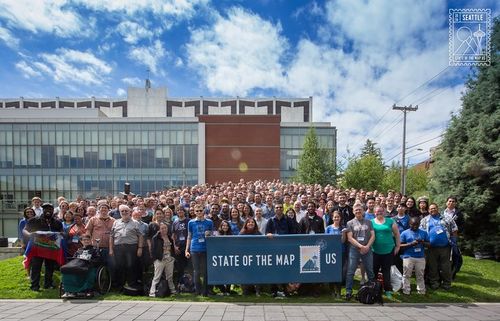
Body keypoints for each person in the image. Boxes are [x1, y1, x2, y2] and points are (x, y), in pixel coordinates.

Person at [23, 203, 63, 291]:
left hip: (51, 249)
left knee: (50, 267)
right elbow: (25, 229)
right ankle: (34, 286)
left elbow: (62, 232)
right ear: (43, 210)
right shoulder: (34, 220)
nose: (48, 211)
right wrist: (29, 234)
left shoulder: (57, 222)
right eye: (46, 209)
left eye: (50, 209)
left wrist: (61, 234)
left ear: (53, 210)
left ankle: (48, 284)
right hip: (37, 248)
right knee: (36, 267)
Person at [420, 203, 458, 290]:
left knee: (446, 267)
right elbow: (421, 232)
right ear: (428, 210)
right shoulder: (425, 220)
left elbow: (454, 229)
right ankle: (434, 283)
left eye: (434, 208)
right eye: (430, 209)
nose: (432, 210)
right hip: (430, 248)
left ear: (438, 208)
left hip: (445, 247)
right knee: (433, 266)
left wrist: (454, 240)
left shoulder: (446, 218)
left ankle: (447, 284)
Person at [109, 205, 144, 291]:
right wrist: (111, 249)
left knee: (130, 266)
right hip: (118, 248)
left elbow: (141, 236)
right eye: (122, 211)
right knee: (120, 266)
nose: (124, 212)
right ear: (120, 213)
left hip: (131, 247)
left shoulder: (136, 223)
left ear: (130, 212)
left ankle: (131, 285)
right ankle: (120, 285)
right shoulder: (116, 222)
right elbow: (111, 237)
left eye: (126, 211)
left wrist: (140, 248)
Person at [345, 203, 375, 300]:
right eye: (356, 210)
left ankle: (373, 290)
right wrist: (361, 246)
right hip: (354, 249)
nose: (358, 211)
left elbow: (373, 236)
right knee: (350, 271)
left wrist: (367, 246)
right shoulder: (350, 223)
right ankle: (348, 291)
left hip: (367, 249)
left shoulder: (369, 222)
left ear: (363, 211)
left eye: (360, 209)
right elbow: (349, 238)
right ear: (353, 211)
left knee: (370, 271)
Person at [371, 206, 400, 299]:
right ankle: (374, 289)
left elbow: (396, 234)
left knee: (386, 271)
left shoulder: (390, 221)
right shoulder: (371, 222)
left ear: (383, 212)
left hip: (388, 250)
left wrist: (398, 246)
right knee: (374, 271)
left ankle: (387, 290)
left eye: (380, 211)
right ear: (374, 213)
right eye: (376, 211)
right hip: (374, 250)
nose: (378, 212)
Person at [185, 204, 213, 296]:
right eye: (197, 211)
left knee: (205, 271)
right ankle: (198, 290)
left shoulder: (209, 222)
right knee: (196, 271)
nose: (199, 212)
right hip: (194, 248)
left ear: (203, 211)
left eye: (200, 210)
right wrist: (187, 250)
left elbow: (213, 235)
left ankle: (205, 291)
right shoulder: (191, 222)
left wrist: (209, 234)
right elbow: (189, 236)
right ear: (194, 212)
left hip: (205, 248)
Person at [61, 234, 100, 298]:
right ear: (81, 241)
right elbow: (74, 259)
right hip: (77, 265)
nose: (86, 241)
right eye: (84, 240)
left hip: (88, 266)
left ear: (90, 240)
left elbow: (97, 259)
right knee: (67, 271)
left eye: (88, 240)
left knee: (89, 272)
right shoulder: (79, 250)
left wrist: (90, 262)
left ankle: (86, 290)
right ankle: (68, 291)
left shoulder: (94, 250)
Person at [400, 217, 429, 295]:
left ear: (419, 224)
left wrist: (422, 242)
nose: (415, 226)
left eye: (417, 225)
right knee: (407, 274)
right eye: (413, 225)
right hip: (408, 256)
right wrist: (410, 244)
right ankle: (406, 290)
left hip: (420, 257)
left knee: (420, 274)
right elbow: (399, 245)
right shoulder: (404, 233)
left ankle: (421, 291)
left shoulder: (424, 233)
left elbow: (429, 244)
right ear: (409, 224)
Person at [149, 222, 177, 297]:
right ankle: (152, 292)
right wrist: (155, 259)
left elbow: (172, 248)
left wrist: (173, 257)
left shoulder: (169, 237)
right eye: (162, 228)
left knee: (170, 276)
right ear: (159, 229)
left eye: (165, 228)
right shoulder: (155, 238)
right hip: (160, 259)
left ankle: (172, 291)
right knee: (157, 276)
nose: (164, 230)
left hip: (169, 259)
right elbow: (152, 250)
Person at [325, 211, 347, 299]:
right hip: (330, 253)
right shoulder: (328, 228)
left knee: (339, 272)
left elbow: (343, 241)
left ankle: (338, 291)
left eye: (338, 217)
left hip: (341, 252)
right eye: (335, 217)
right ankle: (332, 291)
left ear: (340, 218)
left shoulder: (343, 228)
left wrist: (344, 233)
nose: (336, 218)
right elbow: (326, 241)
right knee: (331, 271)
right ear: (332, 218)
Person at [172, 206, 190, 285]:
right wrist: (174, 246)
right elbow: (173, 235)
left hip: (187, 247)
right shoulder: (175, 222)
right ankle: (181, 284)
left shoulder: (189, 221)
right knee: (180, 267)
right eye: (178, 210)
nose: (180, 212)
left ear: (184, 211)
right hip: (178, 247)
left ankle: (190, 284)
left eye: (181, 210)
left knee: (189, 266)